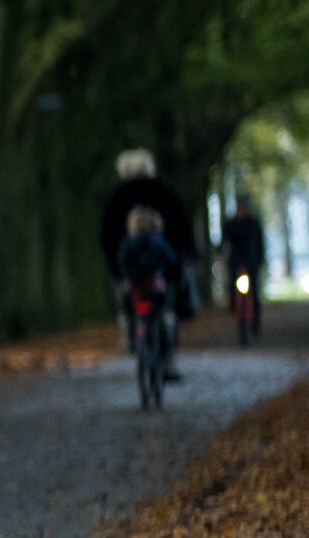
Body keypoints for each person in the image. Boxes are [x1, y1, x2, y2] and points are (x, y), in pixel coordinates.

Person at [100, 149, 197, 377]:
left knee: (128, 298)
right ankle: (168, 358)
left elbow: (106, 235)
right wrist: (186, 256)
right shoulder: (164, 192)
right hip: (162, 267)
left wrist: (115, 265)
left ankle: (130, 331)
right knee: (167, 307)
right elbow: (182, 226)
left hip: (130, 269)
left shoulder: (117, 197)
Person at [115, 205, 181, 360]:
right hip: (154, 286)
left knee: (129, 309)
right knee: (164, 313)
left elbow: (120, 262)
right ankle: (165, 346)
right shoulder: (158, 239)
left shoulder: (128, 241)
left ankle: (131, 336)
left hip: (135, 286)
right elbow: (171, 260)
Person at [221, 194, 266, 335]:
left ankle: (255, 321)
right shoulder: (230, 224)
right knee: (233, 288)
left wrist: (260, 260)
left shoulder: (253, 223)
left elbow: (260, 244)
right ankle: (235, 310)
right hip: (236, 262)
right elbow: (224, 242)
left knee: (254, 291)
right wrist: (219, 254)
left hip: (251, 262)